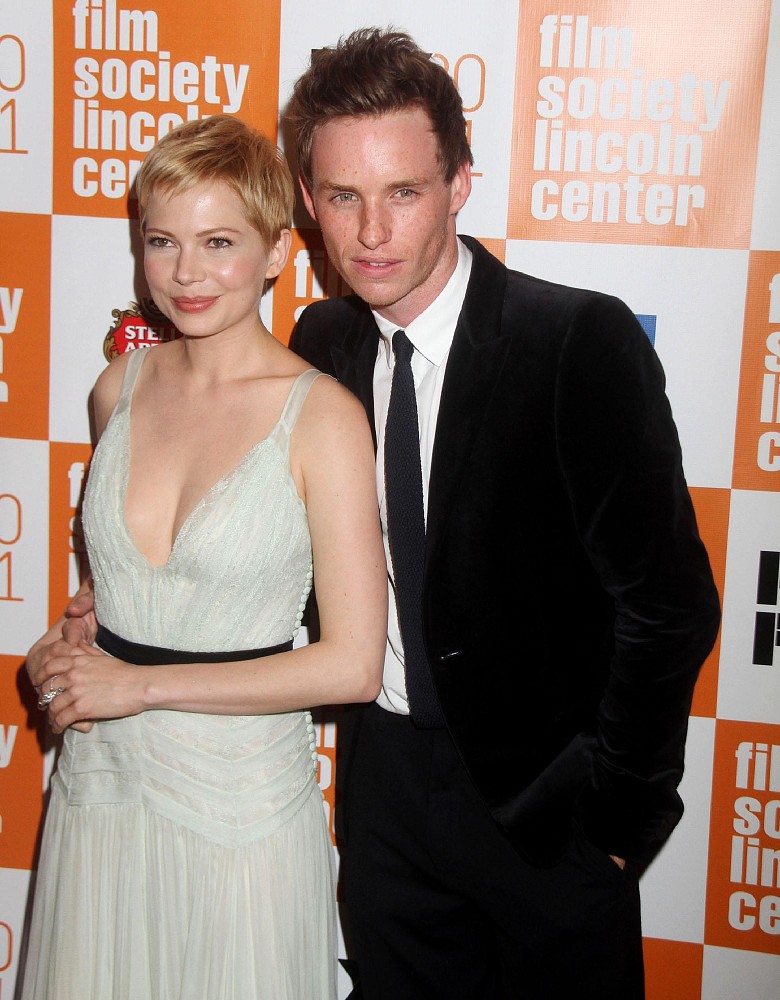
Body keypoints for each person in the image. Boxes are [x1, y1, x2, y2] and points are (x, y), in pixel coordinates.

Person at [28, 28, 722, 1000]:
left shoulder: (573, 340)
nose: (371, 232)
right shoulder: (321, 343)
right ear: (307, 205)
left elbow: (669, 605)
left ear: (459, 183)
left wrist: (617, 827)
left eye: (403, 192)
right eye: (344, 196)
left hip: (546, 810)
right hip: (382, 798)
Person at [22, 113, 386, 1000]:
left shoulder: (324, 418)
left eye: (218, 242)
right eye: (163, 241)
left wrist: (138, 687)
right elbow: (123, 594)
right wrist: (63, 650)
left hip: (241, 818)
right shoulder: (116, 390)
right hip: (100, 796)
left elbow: (353, 666)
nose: (186, 273)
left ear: (275, 252)